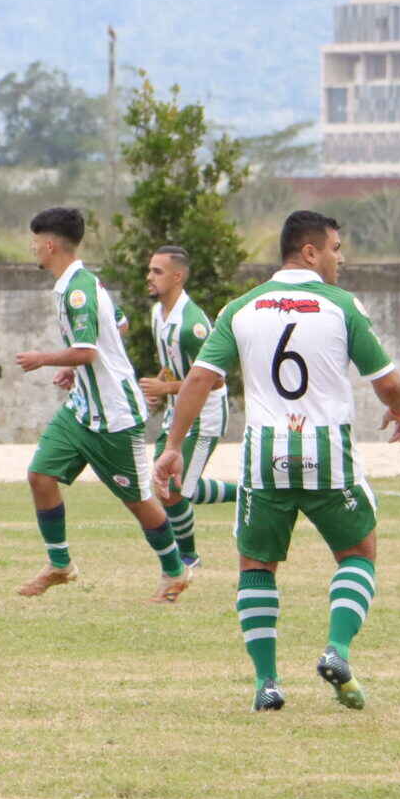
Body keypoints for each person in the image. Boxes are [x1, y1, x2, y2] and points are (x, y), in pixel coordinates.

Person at [156, 210, 400, 711]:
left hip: (264, 454)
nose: (340, 259)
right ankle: (336, 650)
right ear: (311, 252)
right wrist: (399, 412)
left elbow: (199, 381)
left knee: (257, 565)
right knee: (358, 552)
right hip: (326, 451)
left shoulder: (241, 308)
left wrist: (172, 446)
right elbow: (387, 380)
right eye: (336, 248)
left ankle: (267, 685)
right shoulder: (340, 305)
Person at [10, 207, 180, 598]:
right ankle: (59, 564)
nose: (33, 248)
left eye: (35, 242)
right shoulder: (80, 283)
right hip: (82, 410)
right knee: (40, 475)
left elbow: (87, 350)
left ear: (50, 244)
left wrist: (47, 359)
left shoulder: (80, 290)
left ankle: (175, 570)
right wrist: (78, 369)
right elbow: (117, 324)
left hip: (115, 416)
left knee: (138, 501)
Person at [137, 244, 239, 595]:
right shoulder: (158, 315)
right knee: (164, 485)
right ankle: (245, 495)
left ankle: (191, 557)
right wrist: (161, 387)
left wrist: (167, 389)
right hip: (178, 411)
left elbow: (217, 379)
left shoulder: (192, 326)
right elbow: (172, 366)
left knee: (179, 490)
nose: (149, 277)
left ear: (178, 277)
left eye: (157, 271)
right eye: (150, 270)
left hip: (205, 414)